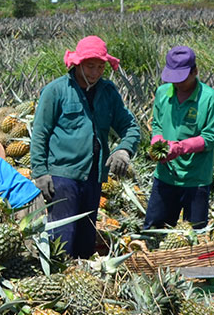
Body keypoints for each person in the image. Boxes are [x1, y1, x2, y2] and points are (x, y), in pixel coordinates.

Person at [29, 35, 141, 258]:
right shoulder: (56, 90)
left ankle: (82, 278)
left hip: (94, 175)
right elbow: (40, 133)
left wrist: (124, 149)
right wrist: (40, 173)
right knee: (62, 235)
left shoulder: (108, 92)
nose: (95, 72)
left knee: (86, 236)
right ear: (78, 63)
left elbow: (130, 126)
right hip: (63, 176)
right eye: (90, 66)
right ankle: (58, 281)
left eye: (101, 67)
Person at [144, 46, 214, 230]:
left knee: (194, 234)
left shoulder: (210, 98)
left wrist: (180, 148)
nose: (177, 84)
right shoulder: (163, 93)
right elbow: (157, 124)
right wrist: (157, 140)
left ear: (195, 71)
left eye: (182, 78)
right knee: (154, 230)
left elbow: (211, 137)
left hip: (196, 178)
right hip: (165, 175)